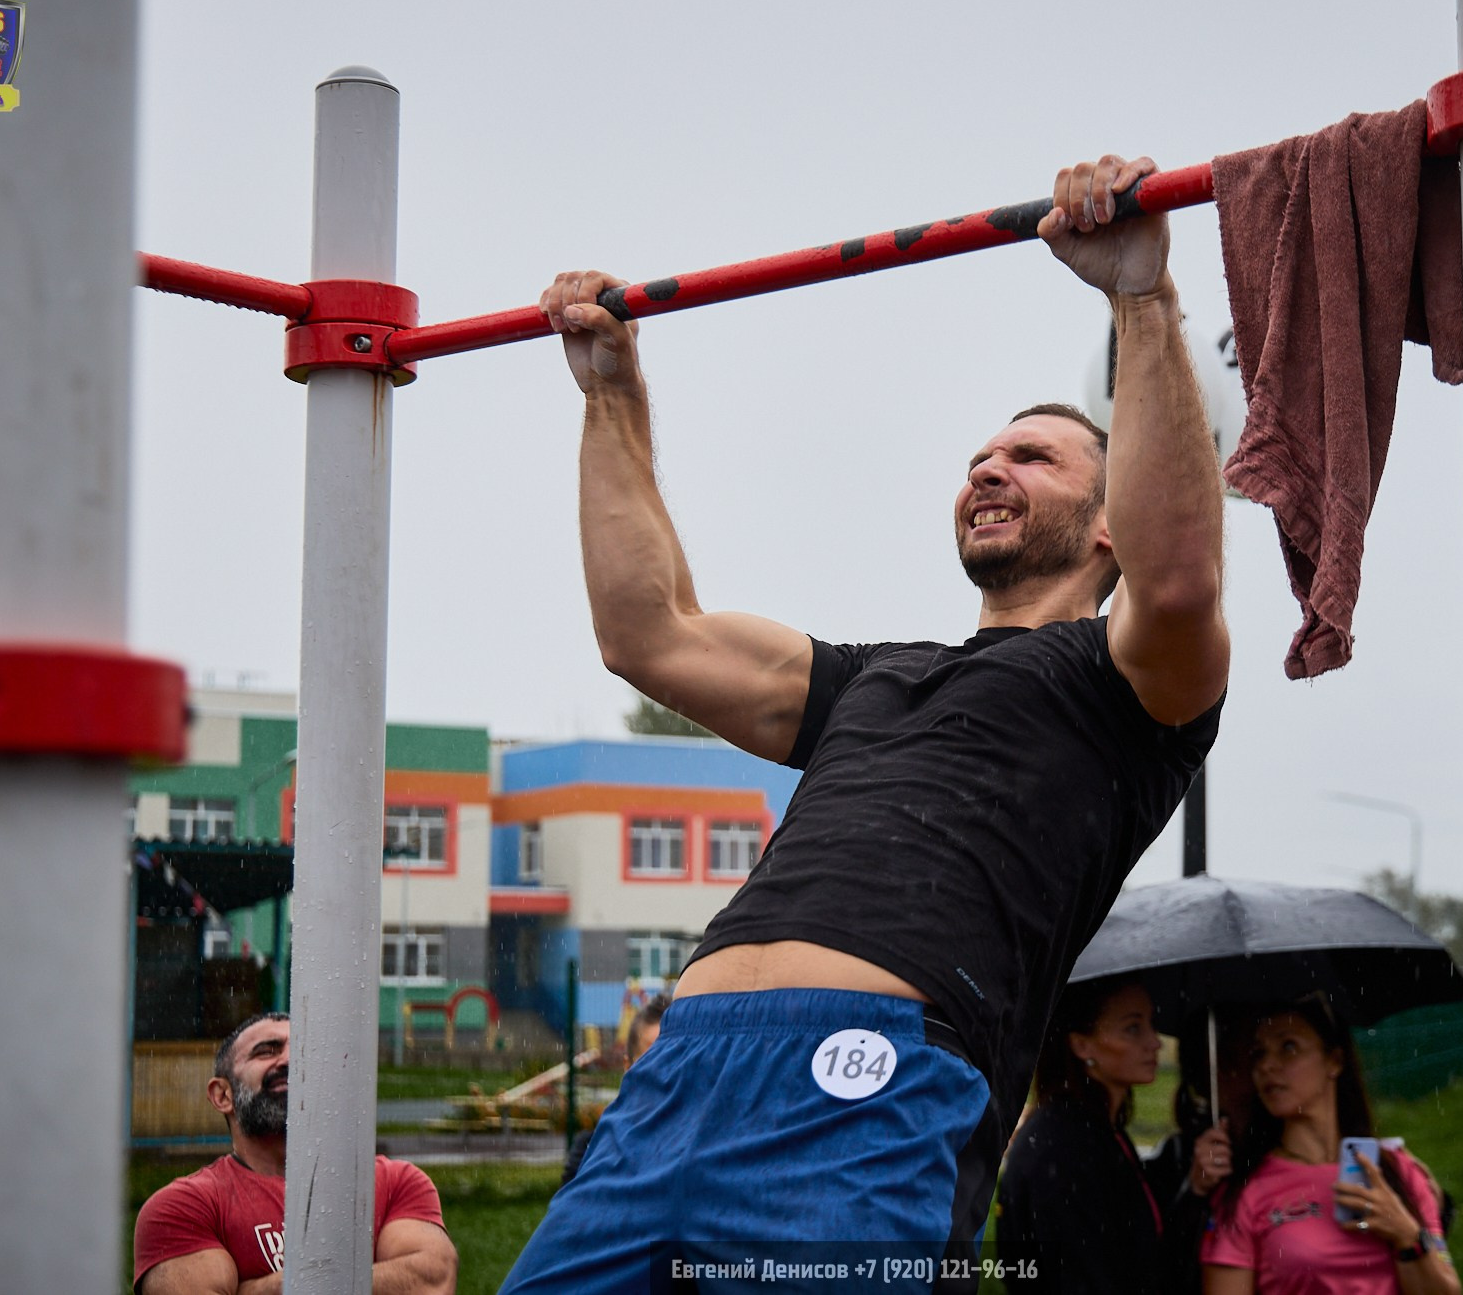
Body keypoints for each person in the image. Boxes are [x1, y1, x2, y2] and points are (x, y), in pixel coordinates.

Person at [501, 153, 1229, 1294]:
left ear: (1104, 530)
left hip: (870, 1084)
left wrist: (1139, 300)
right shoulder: (869, 676)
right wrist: (609, 397)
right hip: (677, 1078)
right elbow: (649, 634)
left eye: (1031, 457)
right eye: (979, 457)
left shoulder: (1122, 683)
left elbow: (1179, 578)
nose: (988, 467)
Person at [134, 1013, 458, 1295]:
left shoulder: (395, 1182)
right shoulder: (184, 1207)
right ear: (223, 1095)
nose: (292, 1061)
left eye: (307, 1051)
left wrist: (254, 1289)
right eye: (268, 1051)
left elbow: (430, 1281)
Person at [1202, 999, 1459, 1295]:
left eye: (1288, 1047)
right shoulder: (1244, 1192)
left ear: (1334, 1061)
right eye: (1258, 1053)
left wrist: (1405, 1233)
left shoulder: (1397, 1170)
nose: (1267, 1066)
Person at [995, 978, 1167, 1292]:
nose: (1154, 1042)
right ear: (1081, 1044)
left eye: (1151, 1024)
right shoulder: (1064, 1147)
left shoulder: (1100, 1132)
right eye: (1133, 1028)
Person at [1145, 1010, 1254, 1291]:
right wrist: (1195, 1190)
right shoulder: (1182, 1154)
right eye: (1229, 1059)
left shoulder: (1286, 1142)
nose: (1264, 1067)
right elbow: (1165, 1262)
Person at [561, 992, 670, 1186]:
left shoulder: (710, 1142)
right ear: (628, 1067)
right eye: (651, 1060)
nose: (664, 1074)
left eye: (672, 1059)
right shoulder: (595, 1150)